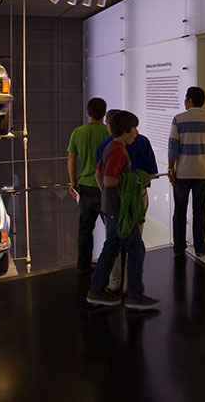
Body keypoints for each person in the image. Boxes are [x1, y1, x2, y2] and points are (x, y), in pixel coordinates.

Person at [87, 110, 159, 309]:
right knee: (136, 248)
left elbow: (99, 175)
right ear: (125, 131)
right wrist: (133, 180)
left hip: (112, 206)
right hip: (121, 208)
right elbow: (109, 179)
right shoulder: (118, 149)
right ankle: (134, 295)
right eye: (133, 128)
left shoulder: (110, 146)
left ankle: (98, 290)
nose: (136, 132)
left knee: (111, 247)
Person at [168, 86, 205, 257]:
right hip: (203, 172)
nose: (184, 101)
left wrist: (171, 168)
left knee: (180, 211)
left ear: (190, 100)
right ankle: (200, 247)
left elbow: (173, 146)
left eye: (185, 98)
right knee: (200, 211)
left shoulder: (179, 119)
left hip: (182, 172)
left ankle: (179, 247)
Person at [67, 97, 109, 272]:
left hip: (84, 186)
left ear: (88, 113)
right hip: (105, 188)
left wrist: (73, 182)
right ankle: (111, 265)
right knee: (112, 229)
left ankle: (83, 265)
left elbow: (71, 159)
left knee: (85, 229)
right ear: (104, 113)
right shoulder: (108, 133)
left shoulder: (78, 132)